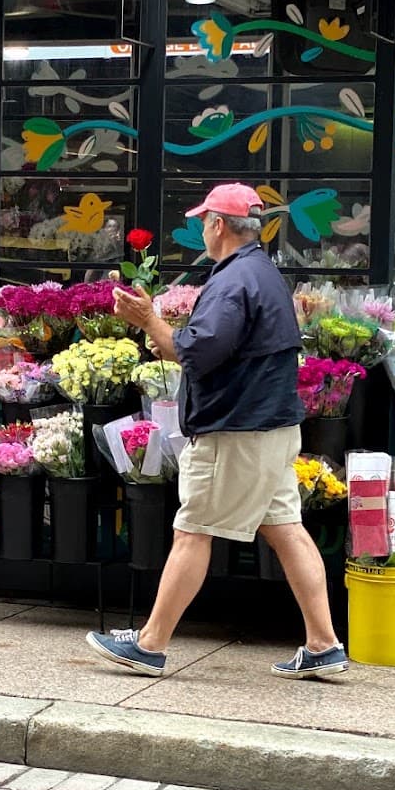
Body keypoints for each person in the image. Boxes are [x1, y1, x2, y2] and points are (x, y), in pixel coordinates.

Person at [85, 183, 347, 680]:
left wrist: (149, 320)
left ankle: (149, 645)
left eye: (204, 221)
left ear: (219, 225)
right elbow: (211, 348)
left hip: (235, 432)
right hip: (272, 429)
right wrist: (163, 331)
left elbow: (196, 352)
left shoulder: (232, 281)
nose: (203, 230)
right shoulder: (262, 272)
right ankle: (323, 644)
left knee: (192, 531)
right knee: (287, 529)